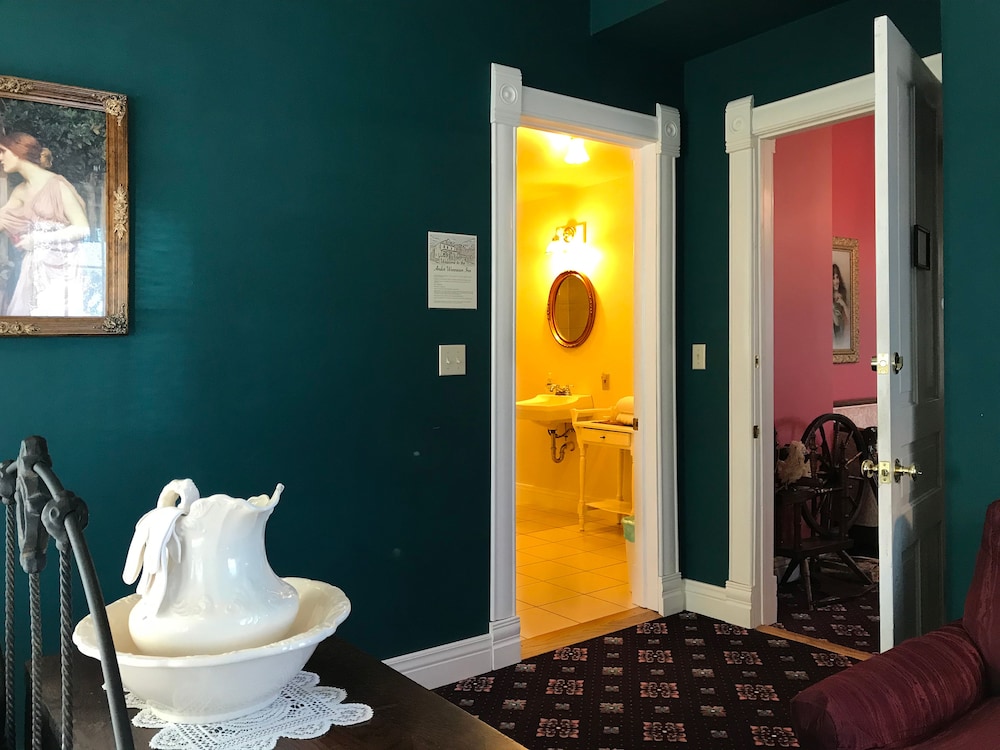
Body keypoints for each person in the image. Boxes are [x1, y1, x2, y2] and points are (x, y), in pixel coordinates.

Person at [0, 132, 90, 316]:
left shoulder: (57, 185)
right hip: (34, 268)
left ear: (18, 151)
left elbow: (82, 228)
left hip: (62, 271)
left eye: (3, 151)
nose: (0, 158)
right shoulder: (20, 191)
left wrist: (38, 240)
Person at [832, 263, 850, 350]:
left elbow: (850, 318)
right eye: (833, 278)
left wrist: (843, 304)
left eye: (837, 277)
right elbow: (836, 323)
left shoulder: (842, 293)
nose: (836, 281)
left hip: (842, 333)